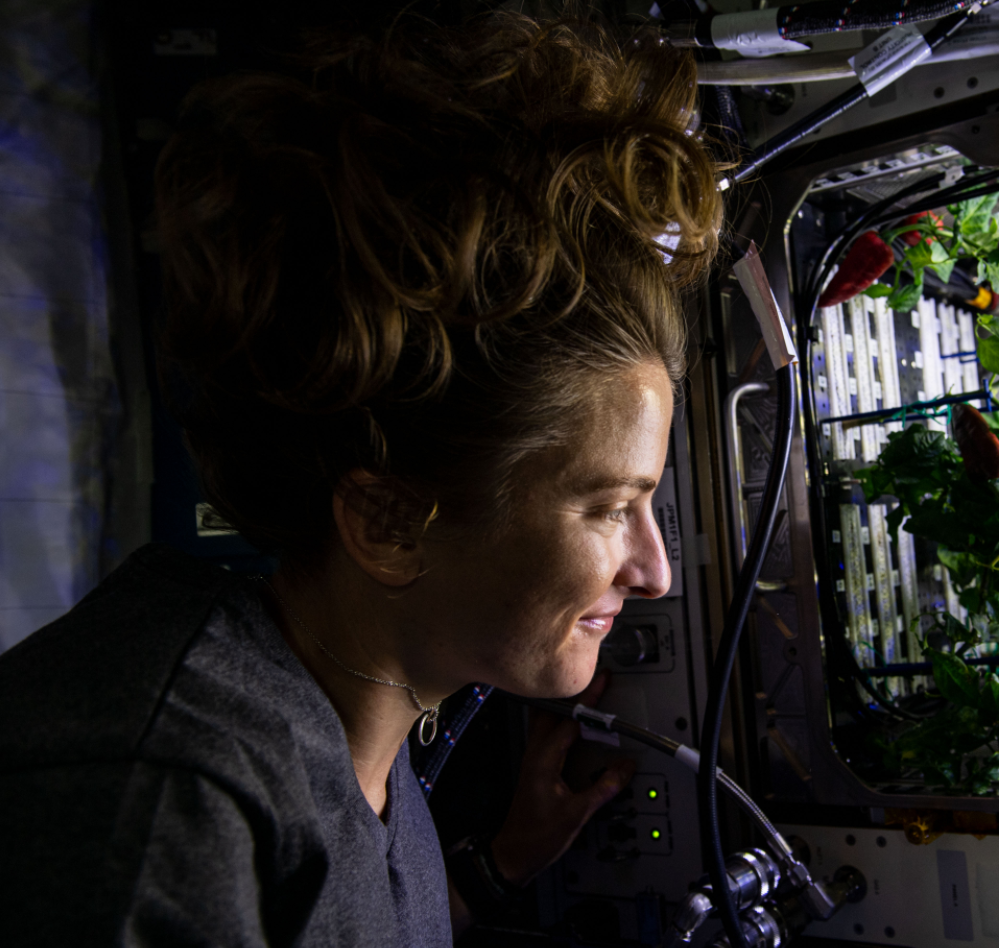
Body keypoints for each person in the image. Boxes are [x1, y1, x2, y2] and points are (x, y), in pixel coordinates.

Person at [0, 11, 722, 946]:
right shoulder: (159, 806)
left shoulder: (355, 751)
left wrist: (501, 865)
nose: (655, 569)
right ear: (389, 523)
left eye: (647, 502)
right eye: (610, 505)